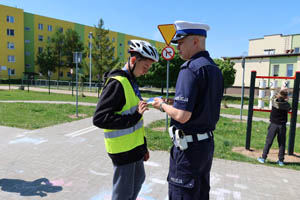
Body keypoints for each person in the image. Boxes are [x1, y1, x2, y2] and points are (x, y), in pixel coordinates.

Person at [152, 20, 224, 200]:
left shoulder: (189, 69)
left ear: (196, 42)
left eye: (181, 42)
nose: (178, 48)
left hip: (188, 150)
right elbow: (201, 104)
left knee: (182, 194)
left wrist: (162, 105)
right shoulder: (214, 69)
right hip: (205, 146)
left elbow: (182, 116)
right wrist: (174, 102)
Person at [93, 40, 159, 200]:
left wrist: (143, 147)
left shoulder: (131, 82)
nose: (146, 71)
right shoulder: (117, 83)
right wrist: (135, 116)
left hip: (135, 148)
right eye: (145, 67)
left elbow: (134, 115)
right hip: (123, 151)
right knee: (123, 194)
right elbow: (100, 118)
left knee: (138, 180)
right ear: (134, 60)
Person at [257, 88, 291, 166]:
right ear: (285, 97)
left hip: (273, 125)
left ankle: (263, 157)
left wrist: (281, 91)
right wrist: (286, 97)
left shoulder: (274, 102)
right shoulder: (286, 105)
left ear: (278, 95)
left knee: (269, 141)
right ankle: (281, 160)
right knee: (282, 143)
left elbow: (273, 97)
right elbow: (289, 108)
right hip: (282, 126)